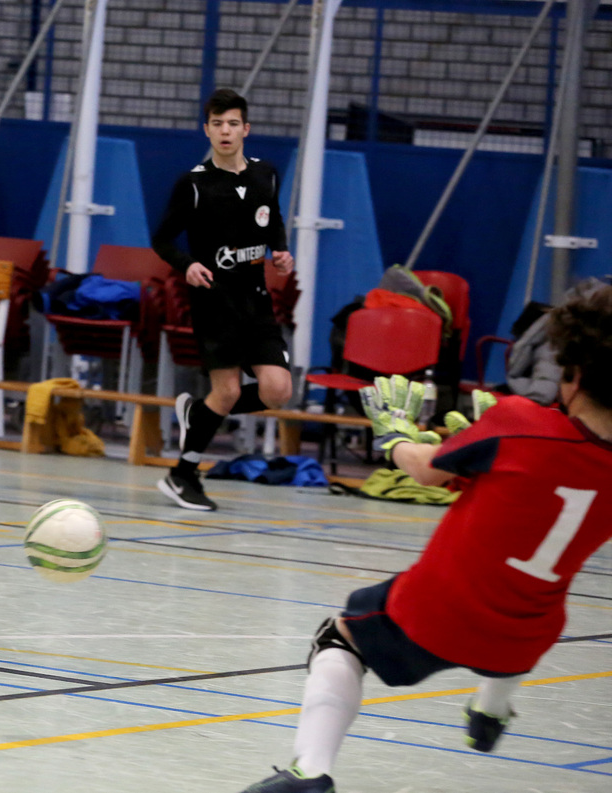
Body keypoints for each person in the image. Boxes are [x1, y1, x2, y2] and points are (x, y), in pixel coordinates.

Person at [237, 280, 612, 793]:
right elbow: (548, 485)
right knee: (529, 616)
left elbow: (425, 470)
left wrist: (394, 433)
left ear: (575, 371)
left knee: (340, 637)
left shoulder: (519, 421)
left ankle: (310, 770)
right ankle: (491, 711)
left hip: (438, 614)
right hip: (524, 639)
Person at [151, 88, 294, 511]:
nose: (225, 131)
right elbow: (161, 239)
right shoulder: (193, 184)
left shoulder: (265, 174)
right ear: (207, 129)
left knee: (277, 391)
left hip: (256, 299)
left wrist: (280, 252)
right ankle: (183, 475)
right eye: (217, 124)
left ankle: (198, 414)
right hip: (215, 301)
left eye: (233, 123)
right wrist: (187, 265)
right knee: (227, 390)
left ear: (245, 128)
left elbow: (274, 219)